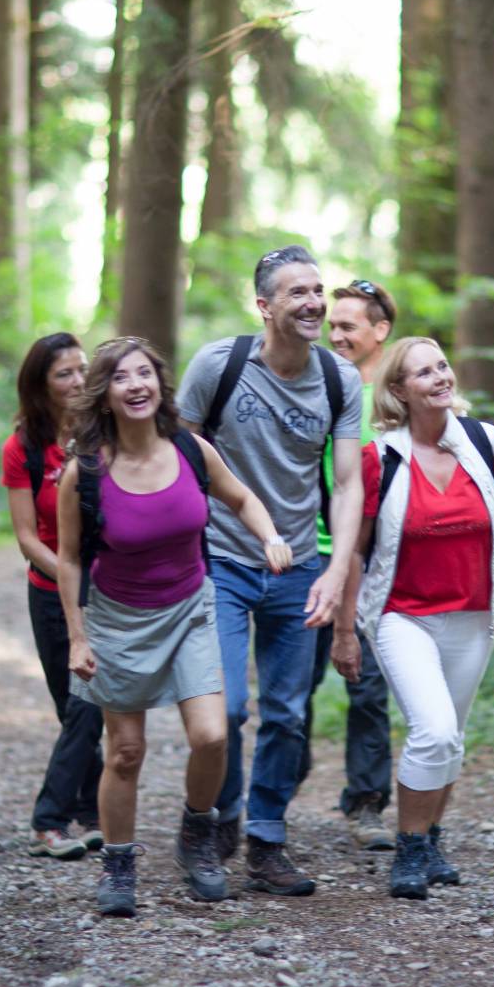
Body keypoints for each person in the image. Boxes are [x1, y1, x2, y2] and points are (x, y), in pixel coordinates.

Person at [53, 337, 293, 917]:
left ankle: (197, 836)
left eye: (145, 374)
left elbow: (240, 497)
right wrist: (79, 636)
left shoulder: (191, 448)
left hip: (190, 608)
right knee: (127, 751)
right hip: (118, 619)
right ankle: (118, 864)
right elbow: (68, 558)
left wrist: (270, 535)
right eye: (120, 378)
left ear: (160, 384)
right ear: (104, 395)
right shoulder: (83, 473)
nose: (136, 386)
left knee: (213, 734)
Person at [177, 245, 364, 897]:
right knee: (225, 708)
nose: (315, 303)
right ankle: (212, 821)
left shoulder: (342, 380)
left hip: (299, 569)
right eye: (298, 293)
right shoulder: (217, 365)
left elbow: (346, 486)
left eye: (319, 290)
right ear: (264, 305)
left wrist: (337, 572)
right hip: (220, 560)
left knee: (288, 713)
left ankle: (265, 841)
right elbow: (177, 447)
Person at [333, 337, 494, 900]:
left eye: (443, 365)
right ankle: (410, 848)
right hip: (403, 617)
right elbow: (354, 548)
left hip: (473, 615)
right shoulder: (382, 458)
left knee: (453, 738)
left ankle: (433, 836)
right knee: (434, 729)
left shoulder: (488, 443)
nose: (440, 377)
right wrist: (346, 629)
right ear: (399, 390)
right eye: (424, 372)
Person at [302, 279, 397, 851]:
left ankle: (366, 803)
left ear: (380, 331)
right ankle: (281, 786)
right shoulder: (312, 384)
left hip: (382, 561)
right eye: (332, 326)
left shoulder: (399, 393)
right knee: (298, 681)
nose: (335, 335)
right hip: (313, 553)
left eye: (348, 327)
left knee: (368, 684)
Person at [3, 332, 104, 860]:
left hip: (110, 595)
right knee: (74, 706)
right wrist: (71, 579)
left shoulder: (104, 434)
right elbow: (26, 537)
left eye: (83, 369)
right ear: (41, 384)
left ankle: (51, 818)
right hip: (49, 593)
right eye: (64, 373)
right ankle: (90, 813)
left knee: (89, 705)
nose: (78, 381)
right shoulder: (22, 447)